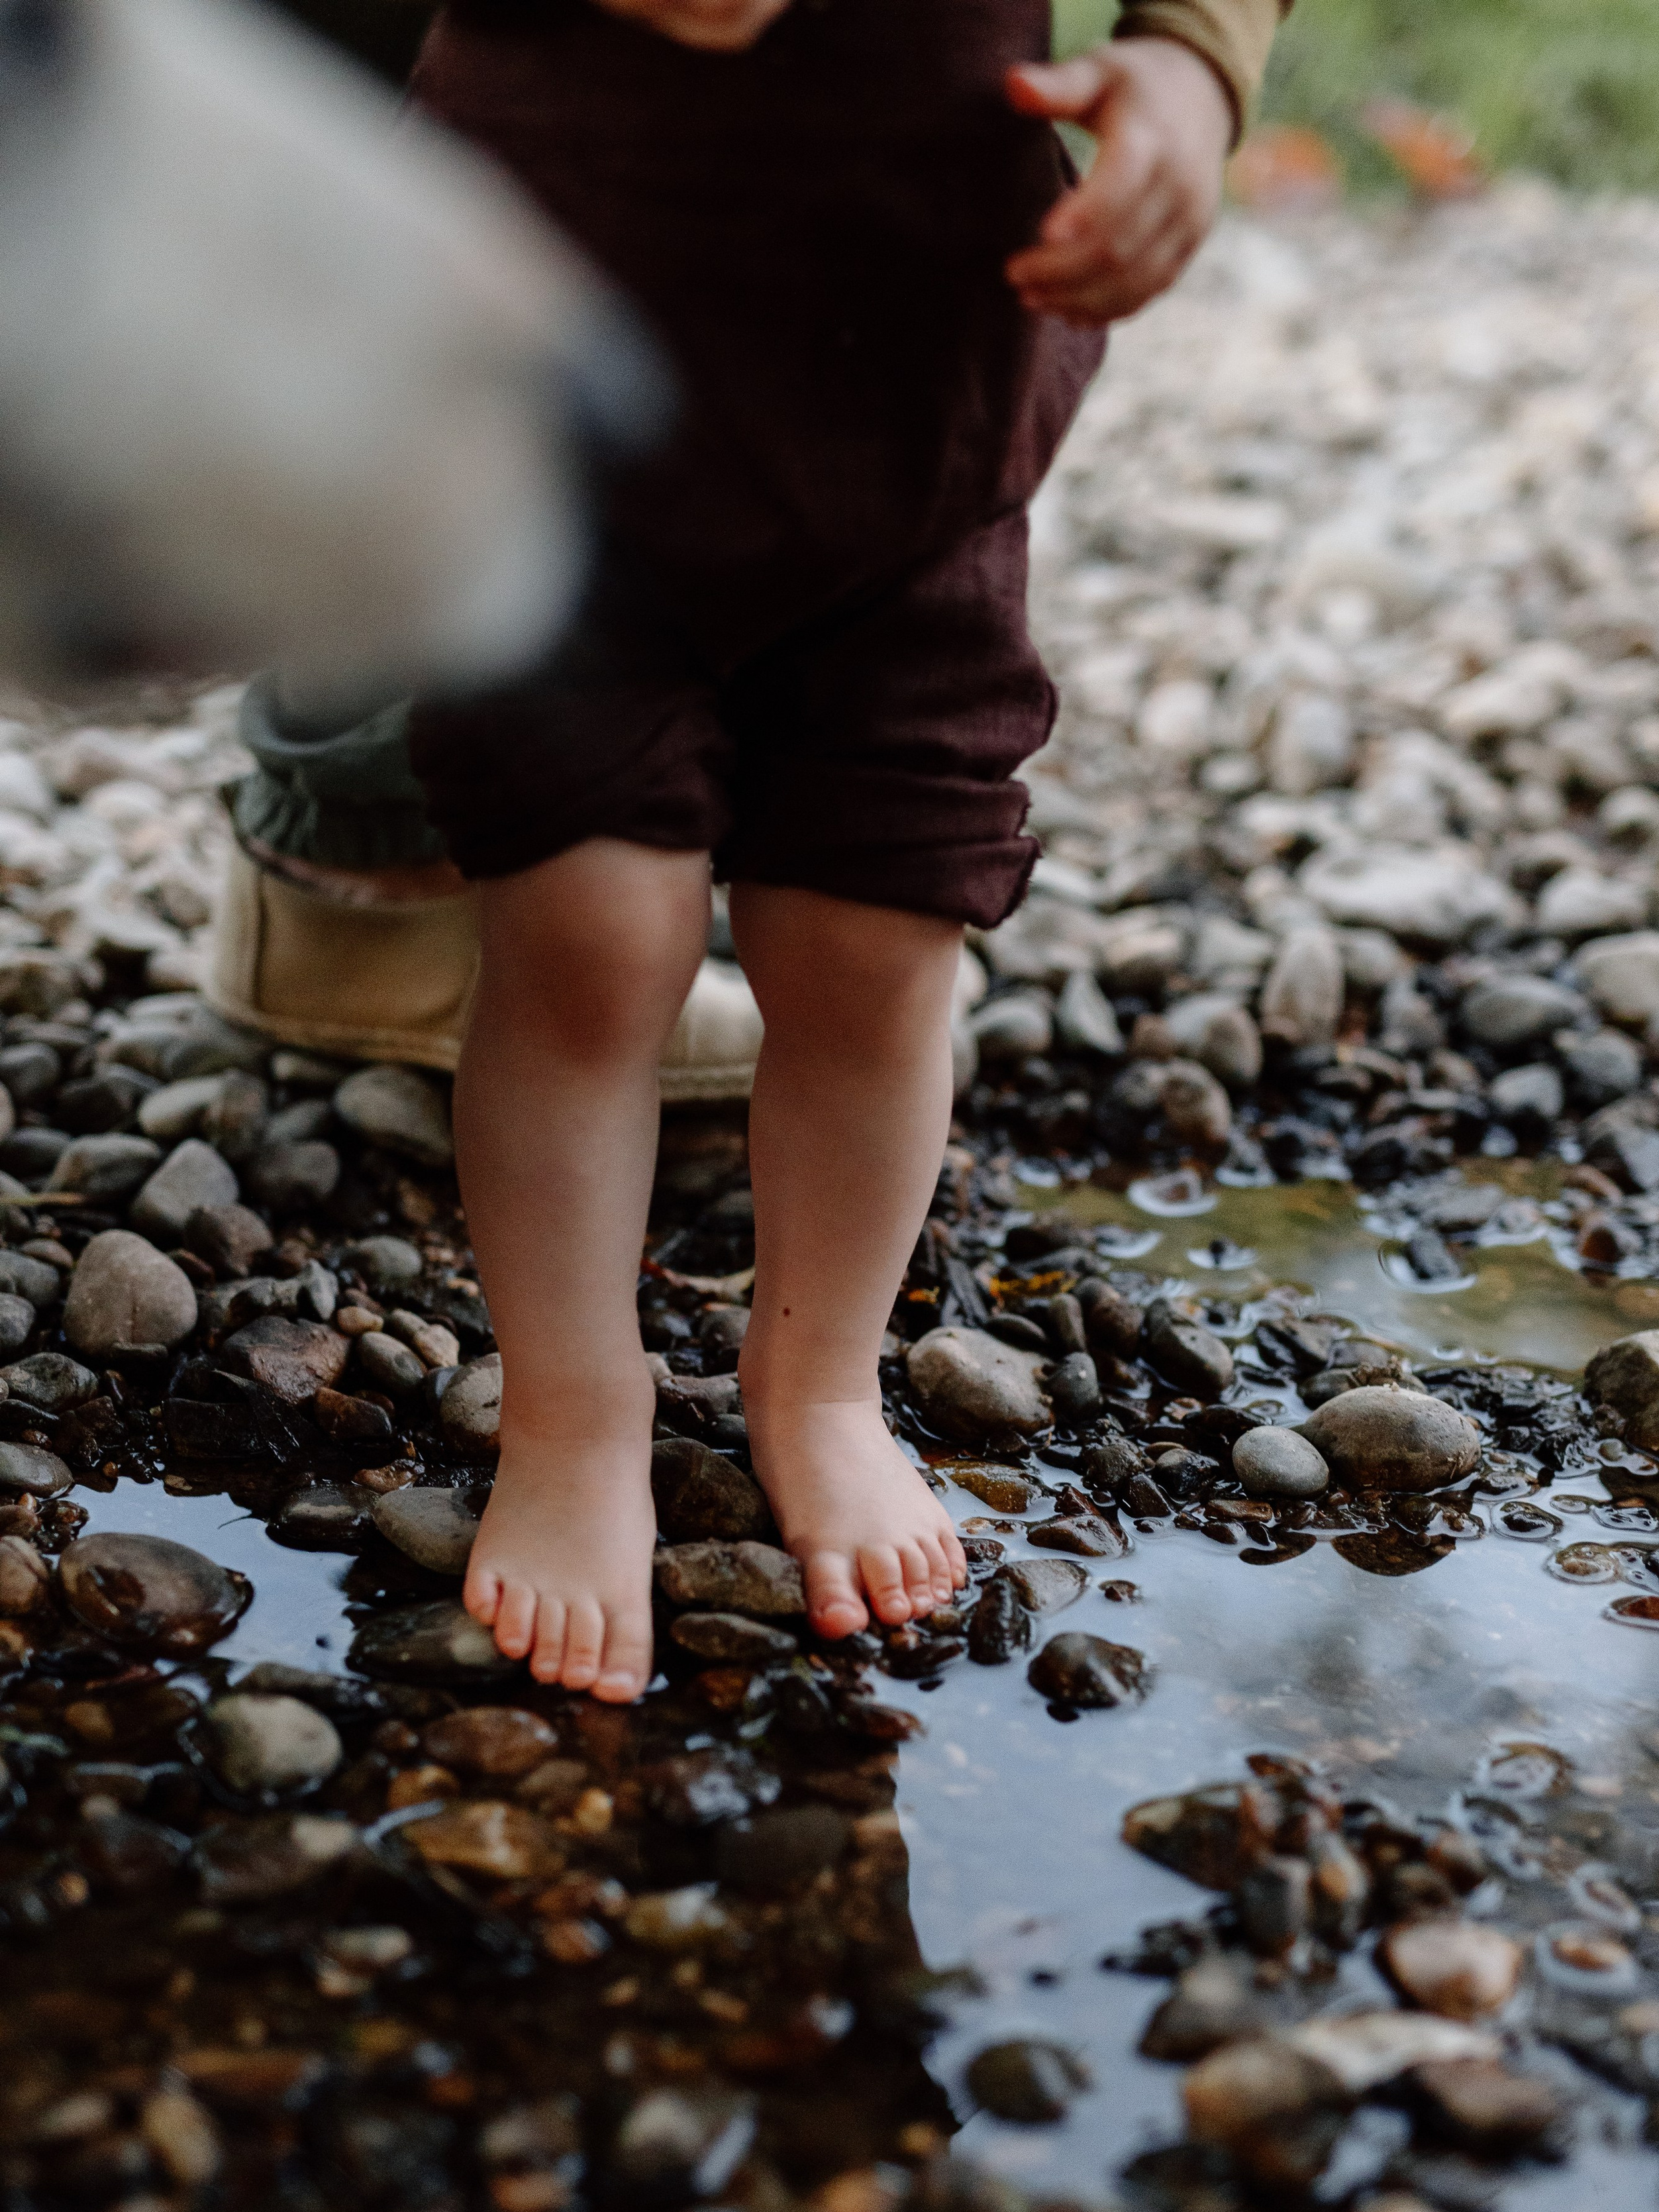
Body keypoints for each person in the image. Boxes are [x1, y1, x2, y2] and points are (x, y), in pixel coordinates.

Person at [401, 0, 1289, 1699]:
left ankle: (818, 1381)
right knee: (590, 930)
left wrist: (1188, 59)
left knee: (874, 934)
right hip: (544, 383)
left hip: (908, 411)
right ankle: (573, 1411)